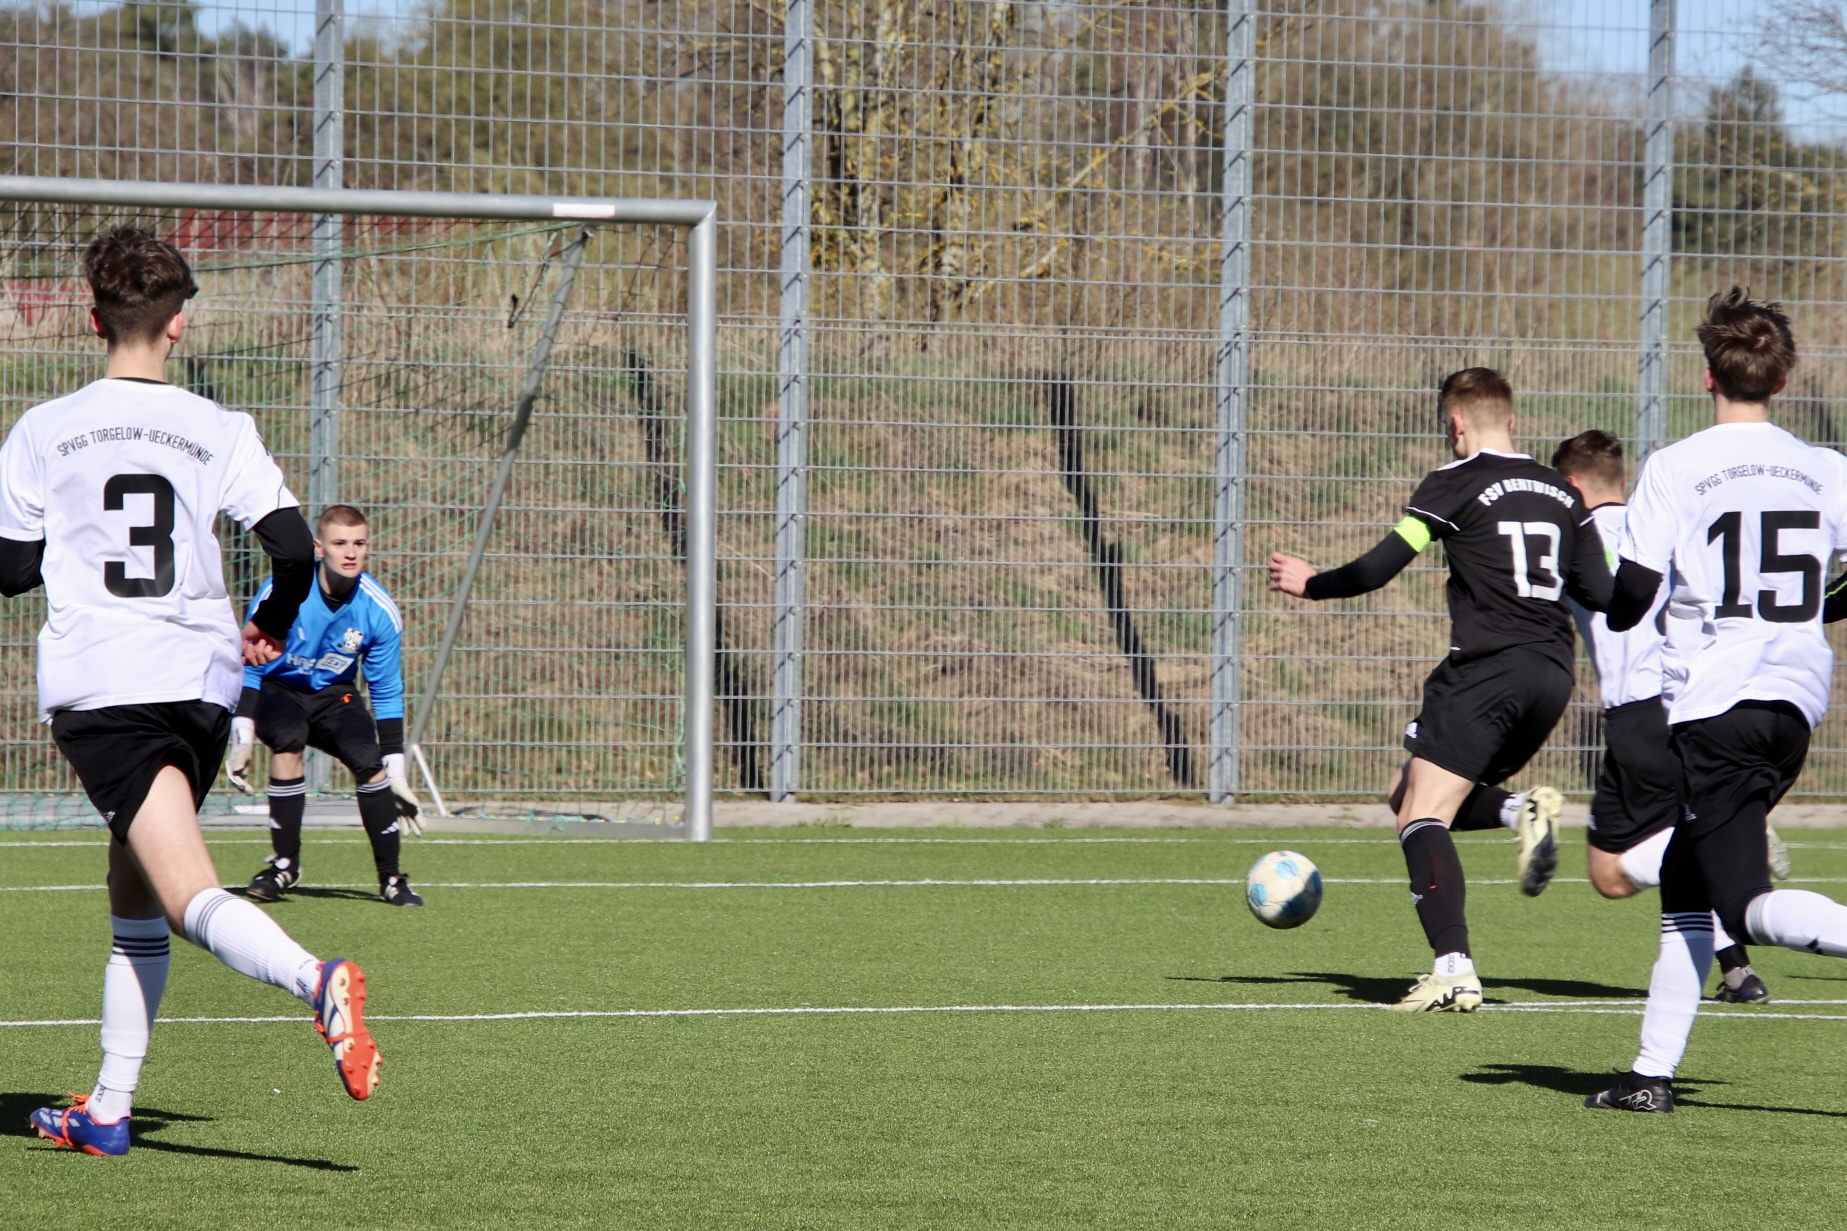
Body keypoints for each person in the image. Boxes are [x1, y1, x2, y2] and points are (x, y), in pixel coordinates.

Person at [2, 225, 381, 1157]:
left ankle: (315, 979)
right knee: (132, 885)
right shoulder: (219, 427)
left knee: (184, 893)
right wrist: (275, 620)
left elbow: (11, 571)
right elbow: (289, 546)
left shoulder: (44, 428)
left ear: (93, 318)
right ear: (178, 324)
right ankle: (108, 1109)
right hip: (203, 686)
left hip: (109, 686)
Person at [1270, 368, 1612, 1012]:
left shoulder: (1451, 484)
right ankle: (1519, 811)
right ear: (1512, 420)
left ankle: (1453, 968)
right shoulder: (1562, 493)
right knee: (1406, 789)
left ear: (1456, 424)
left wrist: (1312, 583)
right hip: (1552, 674)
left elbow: (1379, 567)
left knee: (1420, 814)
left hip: (1487, 671)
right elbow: (1604, 593)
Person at [1588, 288, 1847, 1113]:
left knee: (1741, 904)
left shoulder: (1676, 465)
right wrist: (1813, 609)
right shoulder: (1826, 467)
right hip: (1792, 702)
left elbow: (1631, 596)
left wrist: (1595, 593)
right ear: (1781, 378)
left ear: (1706, 376)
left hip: (1718, 705)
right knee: (1684, 887)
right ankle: (1648, 1076)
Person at [1550, 430, 1778, 1003]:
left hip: (1636, 713)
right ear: (1622, 480)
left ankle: (1721, 852)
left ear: (1570, 485)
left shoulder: (1570, 538)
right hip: (1696, 702)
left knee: (1610, 872)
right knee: (1687, 837)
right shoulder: (1664, 525)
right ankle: (1738, 972)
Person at [225, 503, 424, 906]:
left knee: (368, 758)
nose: (350, 553)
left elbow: (386, 688)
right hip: (279, 688)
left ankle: (391, 878)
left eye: (359, 543)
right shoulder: (283, 592)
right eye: (339, 543)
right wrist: (242, 733)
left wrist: (396, 769)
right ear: (319, 548)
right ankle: (285, 865)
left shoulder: (379, 610)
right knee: (288, 737)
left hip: (335, 694)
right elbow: (250, 661)